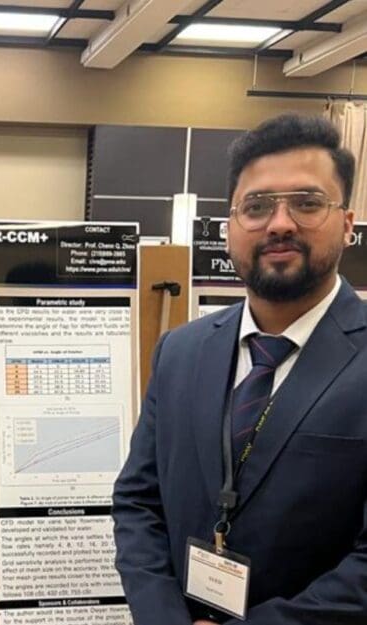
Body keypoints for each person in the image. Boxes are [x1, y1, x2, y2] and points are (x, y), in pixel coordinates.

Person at [112, 113, 367, 625]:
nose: (279, 223)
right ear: (230, 228)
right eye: (256, 206)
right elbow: (138, 501)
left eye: (307, 202)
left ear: (347, 223)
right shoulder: (180, 353)